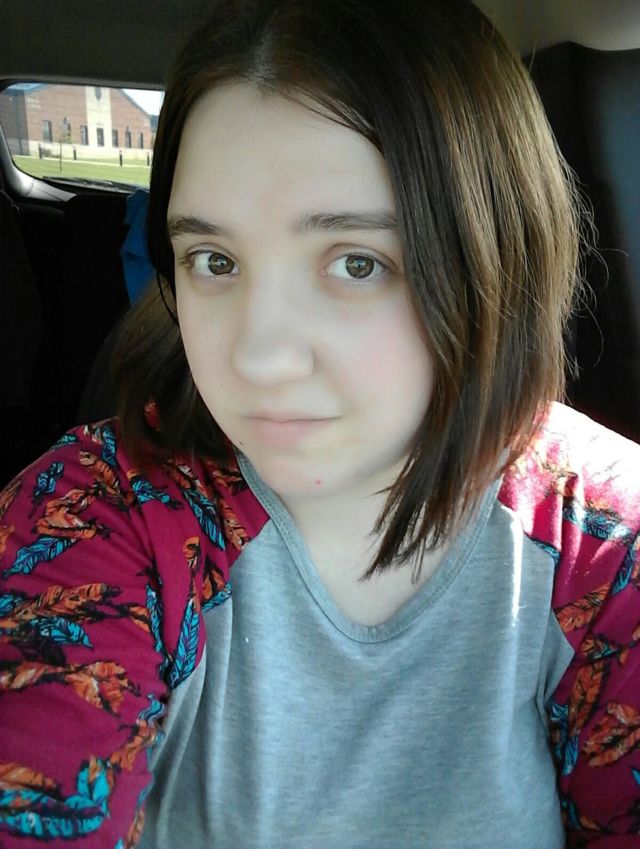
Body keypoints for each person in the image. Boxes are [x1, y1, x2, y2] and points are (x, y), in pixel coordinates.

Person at [1, 0, 639, 846]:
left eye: (357, 263)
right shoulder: (90, 513)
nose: (260, 355)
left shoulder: (604, 539)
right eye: (214, 260)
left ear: (492, 256)